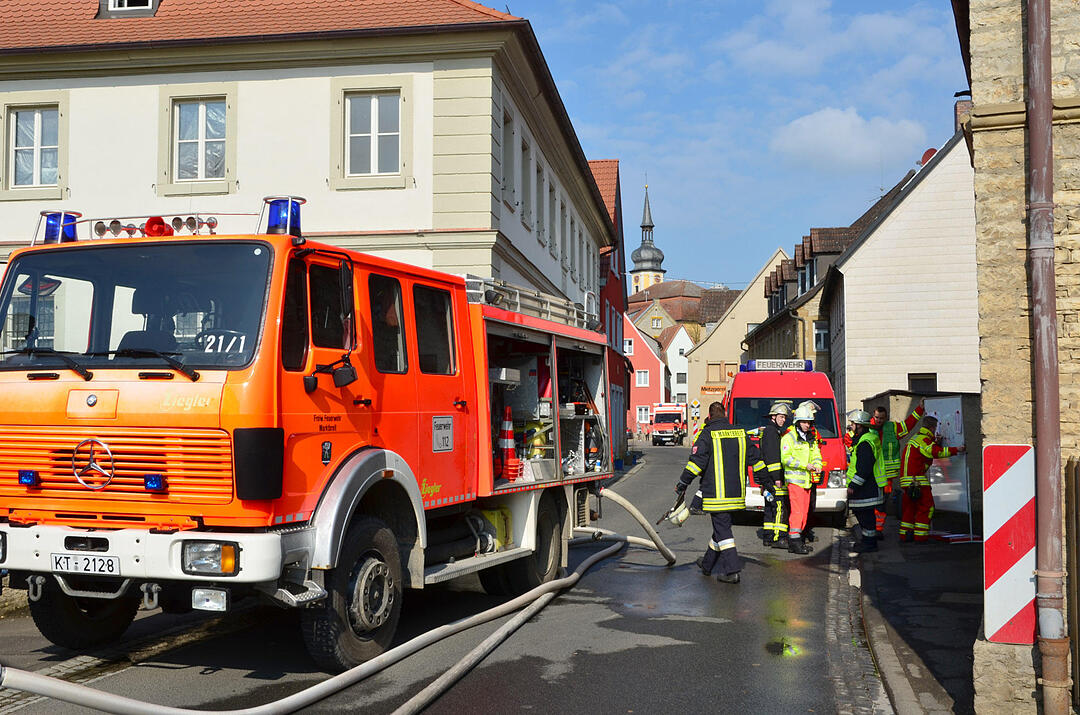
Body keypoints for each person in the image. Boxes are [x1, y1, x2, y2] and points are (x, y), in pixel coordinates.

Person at [676, 401, 765, 584]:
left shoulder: (707, 434)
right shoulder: (740, 433)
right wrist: (768, 484)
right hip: (737, 494)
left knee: (723, 531)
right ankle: (707, 564)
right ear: (725, 414)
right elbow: (757, 460)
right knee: (721, 528)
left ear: (709, 416)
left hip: (716, 495)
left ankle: (732, 570)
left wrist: (683, 483)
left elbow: (696, 463)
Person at [899, 415, 966, 542]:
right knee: (927, 507)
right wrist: (957, 449)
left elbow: (925, 454)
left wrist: (935, 443)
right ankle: (920, 536)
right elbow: (937, 453)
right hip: (916, 480)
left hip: (907, 480)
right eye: (935, 429)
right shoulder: (924, 440)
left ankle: (905, 535)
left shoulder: (916, 438)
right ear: (932, 428)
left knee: (910, 508)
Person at [870, 400, 925, 538]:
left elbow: (909, 424)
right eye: (877, 418)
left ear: (886, 418)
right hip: (871, 475)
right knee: (872, 504)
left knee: (882, 503)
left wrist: (920, 409)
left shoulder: (892, 427)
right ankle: (872, 529)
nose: (879, 421)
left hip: (887, 477)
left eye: (882, 418)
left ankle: (878, 530)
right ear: (873, 416)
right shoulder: (867, 427)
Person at [781, 402, 823, 555]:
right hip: (795, 481)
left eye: (809, 422)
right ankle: (794, 541)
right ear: (797, 422)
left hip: (807, 481)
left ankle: (798, 540)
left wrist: (818, 464)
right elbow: (786, 459)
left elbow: (816, 454)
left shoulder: (810, 438)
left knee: (805, 512)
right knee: (798, 512)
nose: (807, 425)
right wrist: (805, 465)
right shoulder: (789, 437)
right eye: (804, 422)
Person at [846, 410, 885, 553]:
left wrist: (853, 485)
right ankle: (867, 541)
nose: (851, 426)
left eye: (853, 424)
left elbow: (864, 468)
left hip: (866, 488)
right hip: (870, 486)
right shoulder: (868, 438)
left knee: (865, 516)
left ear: (860, 425)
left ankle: (869, 544)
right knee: (864, 516)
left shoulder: (864, 443)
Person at [758, 401, 792, 549]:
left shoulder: (771, 431)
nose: (783, 420)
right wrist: (777, 478)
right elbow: (772, 457)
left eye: (785, 417)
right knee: (779, 507)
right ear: (773, 417)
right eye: (781, 417)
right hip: (774, 477)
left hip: (767, 477)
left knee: (769, 507)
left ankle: (768, 536)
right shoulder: (772, 432)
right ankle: (778, 538)